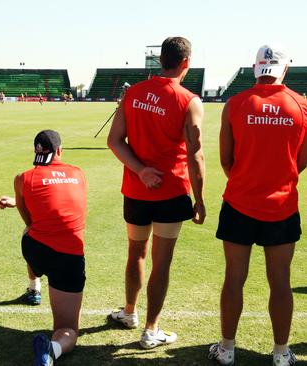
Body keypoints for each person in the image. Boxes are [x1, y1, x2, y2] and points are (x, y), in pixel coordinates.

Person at [208, 45, 307, 366]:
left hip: (238, 202)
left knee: (234, 277)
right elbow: (301, 160)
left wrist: (245, 179)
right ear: (285, 69)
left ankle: (226, 349)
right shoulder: (302, 106)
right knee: (280, 280)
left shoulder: (235, 104)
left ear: (256, 68)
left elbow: (226, 159)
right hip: (282, 206)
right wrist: (281, 177)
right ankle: (281, 354)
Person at [106, 36, 205, 349]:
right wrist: (200, 199)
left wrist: (140, 170)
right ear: (186, 63)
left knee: (136, 252)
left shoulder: (133, 93)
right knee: (161, 263)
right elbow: (196, 154)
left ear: (160, 59)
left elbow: (114, 141)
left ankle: (130, 312)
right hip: (172, 191)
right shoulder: (189, 100)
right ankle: (151, 330)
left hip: (137, 190)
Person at [0, 130, 87, 366]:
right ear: (59, 151)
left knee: (31, 232)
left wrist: (17, 201)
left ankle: (34, 287)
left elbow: (30, 219)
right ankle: (52, 349)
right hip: (69, 257)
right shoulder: (78, 174)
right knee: (67, 329)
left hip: (36, 251)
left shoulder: (23, 178)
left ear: (36, 152)